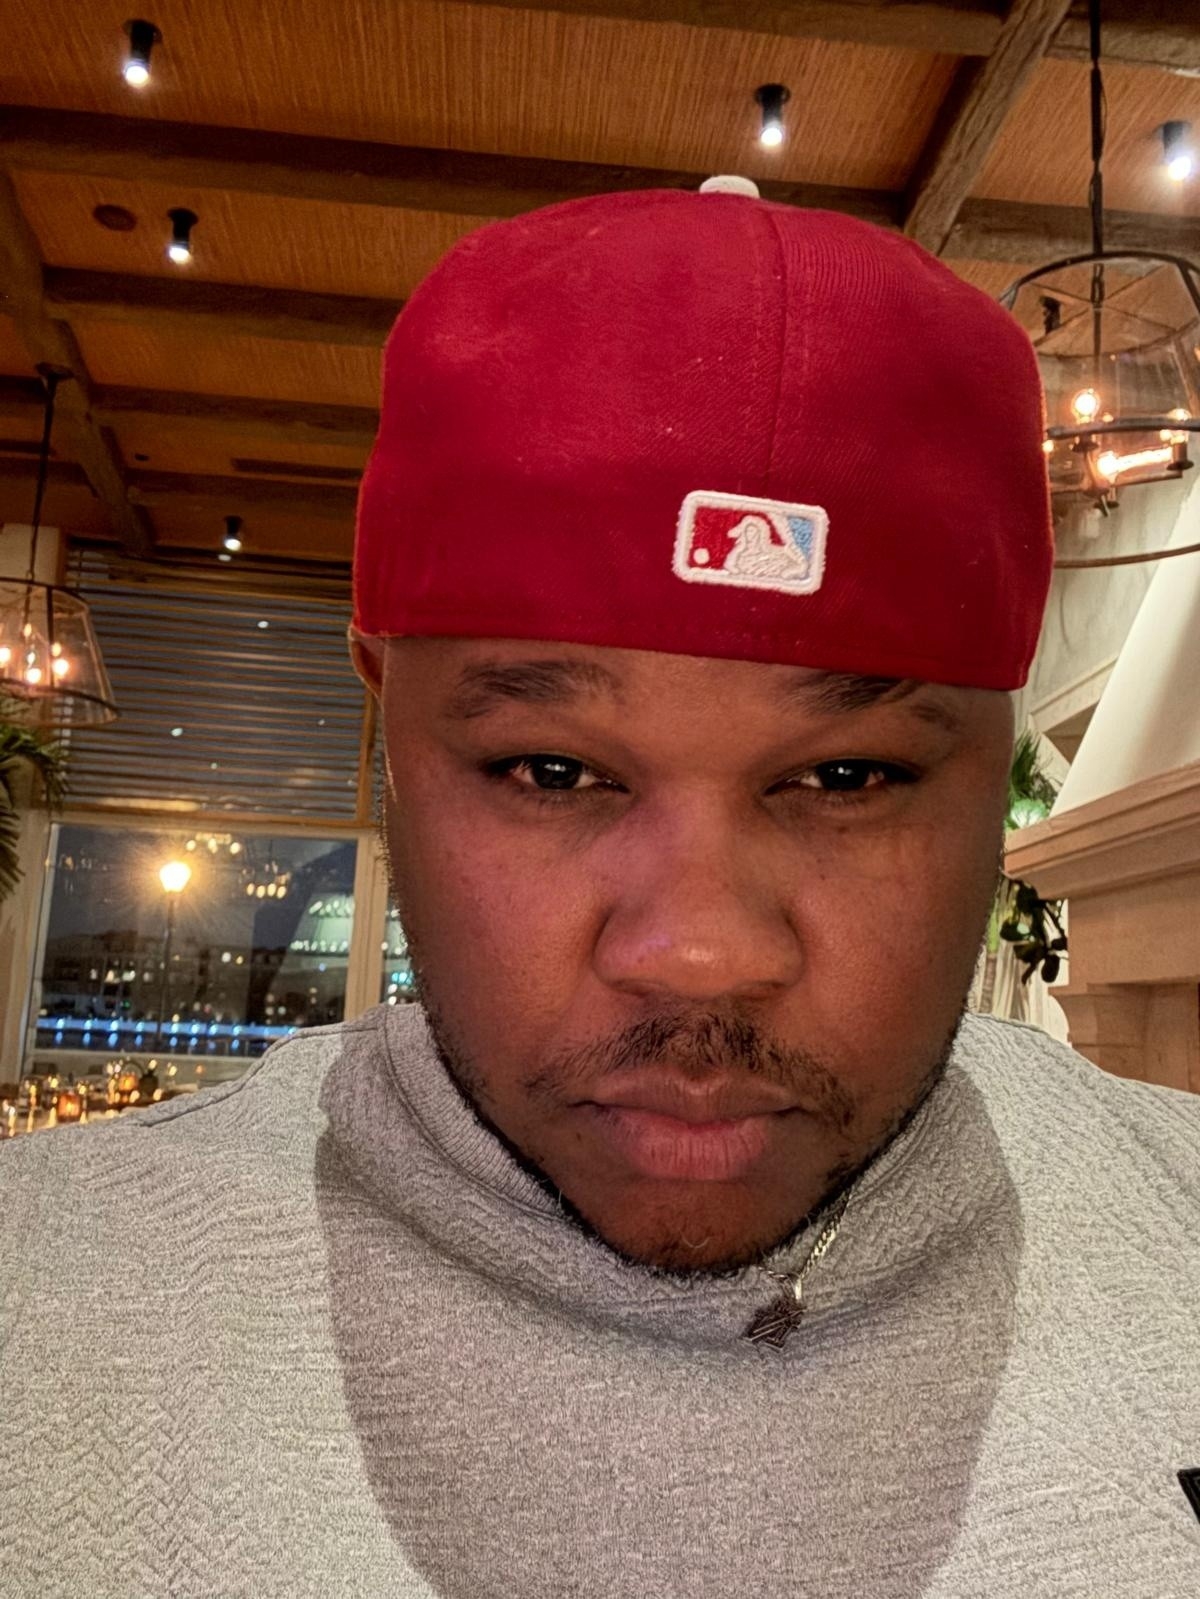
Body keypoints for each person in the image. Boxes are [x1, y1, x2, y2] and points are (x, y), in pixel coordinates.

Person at [2, 179, 1198, 1599]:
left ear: (1000, 770)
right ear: (385, 724)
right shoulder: (39, 1299)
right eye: (553, 771)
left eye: (849, 777)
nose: (698, 951)